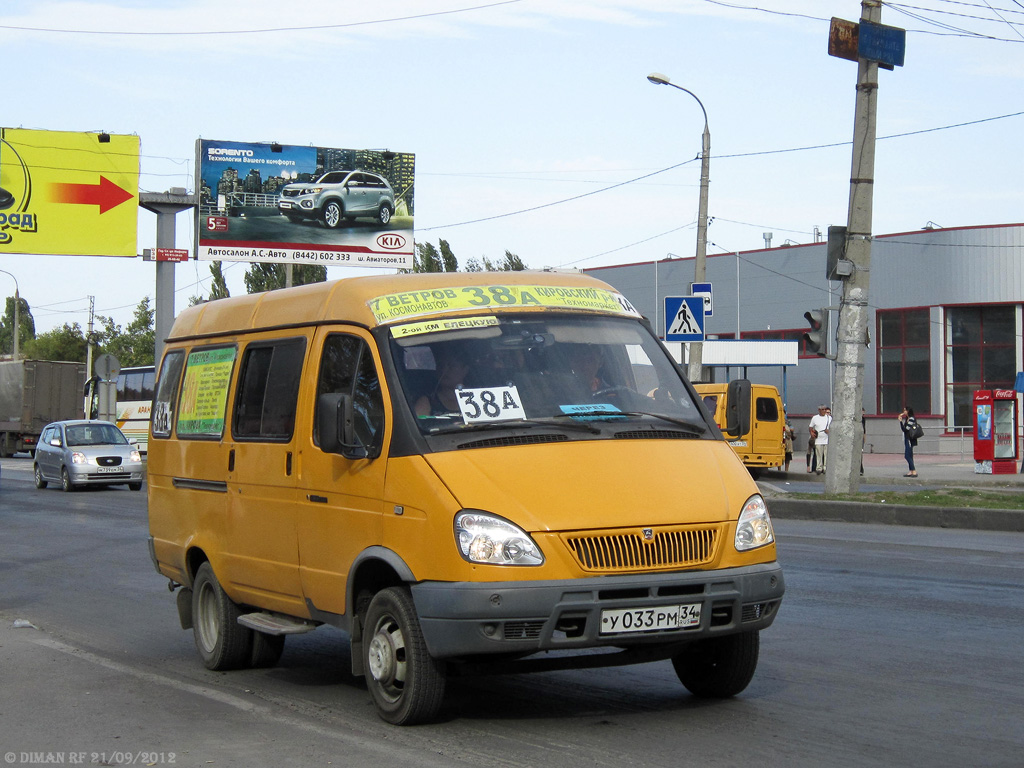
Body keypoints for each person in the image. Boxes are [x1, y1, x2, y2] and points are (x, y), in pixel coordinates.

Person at [415, 345, 470, 417]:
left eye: (451, 366)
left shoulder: (479, 398)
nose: (444, 370)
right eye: (441, 365)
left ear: (465, 370)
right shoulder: (426, 402)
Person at [808, 404, 832, 475]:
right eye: (822, 409)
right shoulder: (815, 418)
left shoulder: (829, 418)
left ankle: (825, 468)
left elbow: (832, 427)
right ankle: (819, 468)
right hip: (818, 439)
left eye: (825, 409)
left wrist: (829, 431)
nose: (824, 411)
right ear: (819, 410)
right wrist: (812, 433)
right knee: (818, 454)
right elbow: (810, 427)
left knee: (826, 454)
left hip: (827, 439)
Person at [898, 406, 919, 477]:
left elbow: (906, 429)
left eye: (905, 410)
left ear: (908, 411)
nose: (903, 412)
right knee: (910, 455)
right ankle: (911, 471)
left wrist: (900, 421)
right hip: (907, 438)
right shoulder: (907, 419)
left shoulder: (911, 419)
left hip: (910, 439)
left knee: (907, 455)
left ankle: (914, 471)